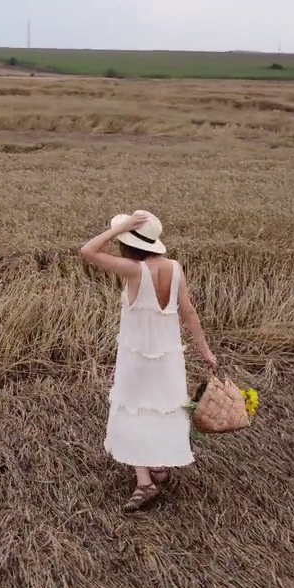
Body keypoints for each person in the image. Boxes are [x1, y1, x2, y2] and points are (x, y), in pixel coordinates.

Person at [79, 210, 217, 512]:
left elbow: (87, 251)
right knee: (161, 409)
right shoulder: (174, 268)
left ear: (128, 243)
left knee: (133, 411)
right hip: (169, 357)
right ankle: (158, 466)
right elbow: (189, 312)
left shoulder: (132, 270)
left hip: (137, 356)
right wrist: (205, 350)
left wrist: (121, 228)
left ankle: (145, 482)